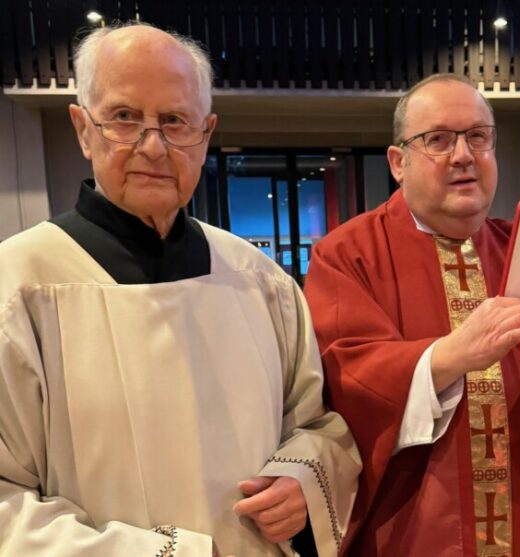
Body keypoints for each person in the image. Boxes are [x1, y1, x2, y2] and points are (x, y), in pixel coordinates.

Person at [0, 23, 360, 557]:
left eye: (174, 121)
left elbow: (315, 423)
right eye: (125, 118)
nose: (153, 145)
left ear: (206, 133)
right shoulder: (20, 286)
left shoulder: (258, 280)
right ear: (82, 128)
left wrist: (301, 484)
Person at [304, 74, 520, 556]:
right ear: (397, 163)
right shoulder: (347, 256)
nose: (464, 155)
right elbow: (346, 382)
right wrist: (449, 356)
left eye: (478, 136)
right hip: (415, 530)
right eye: (438, 140)